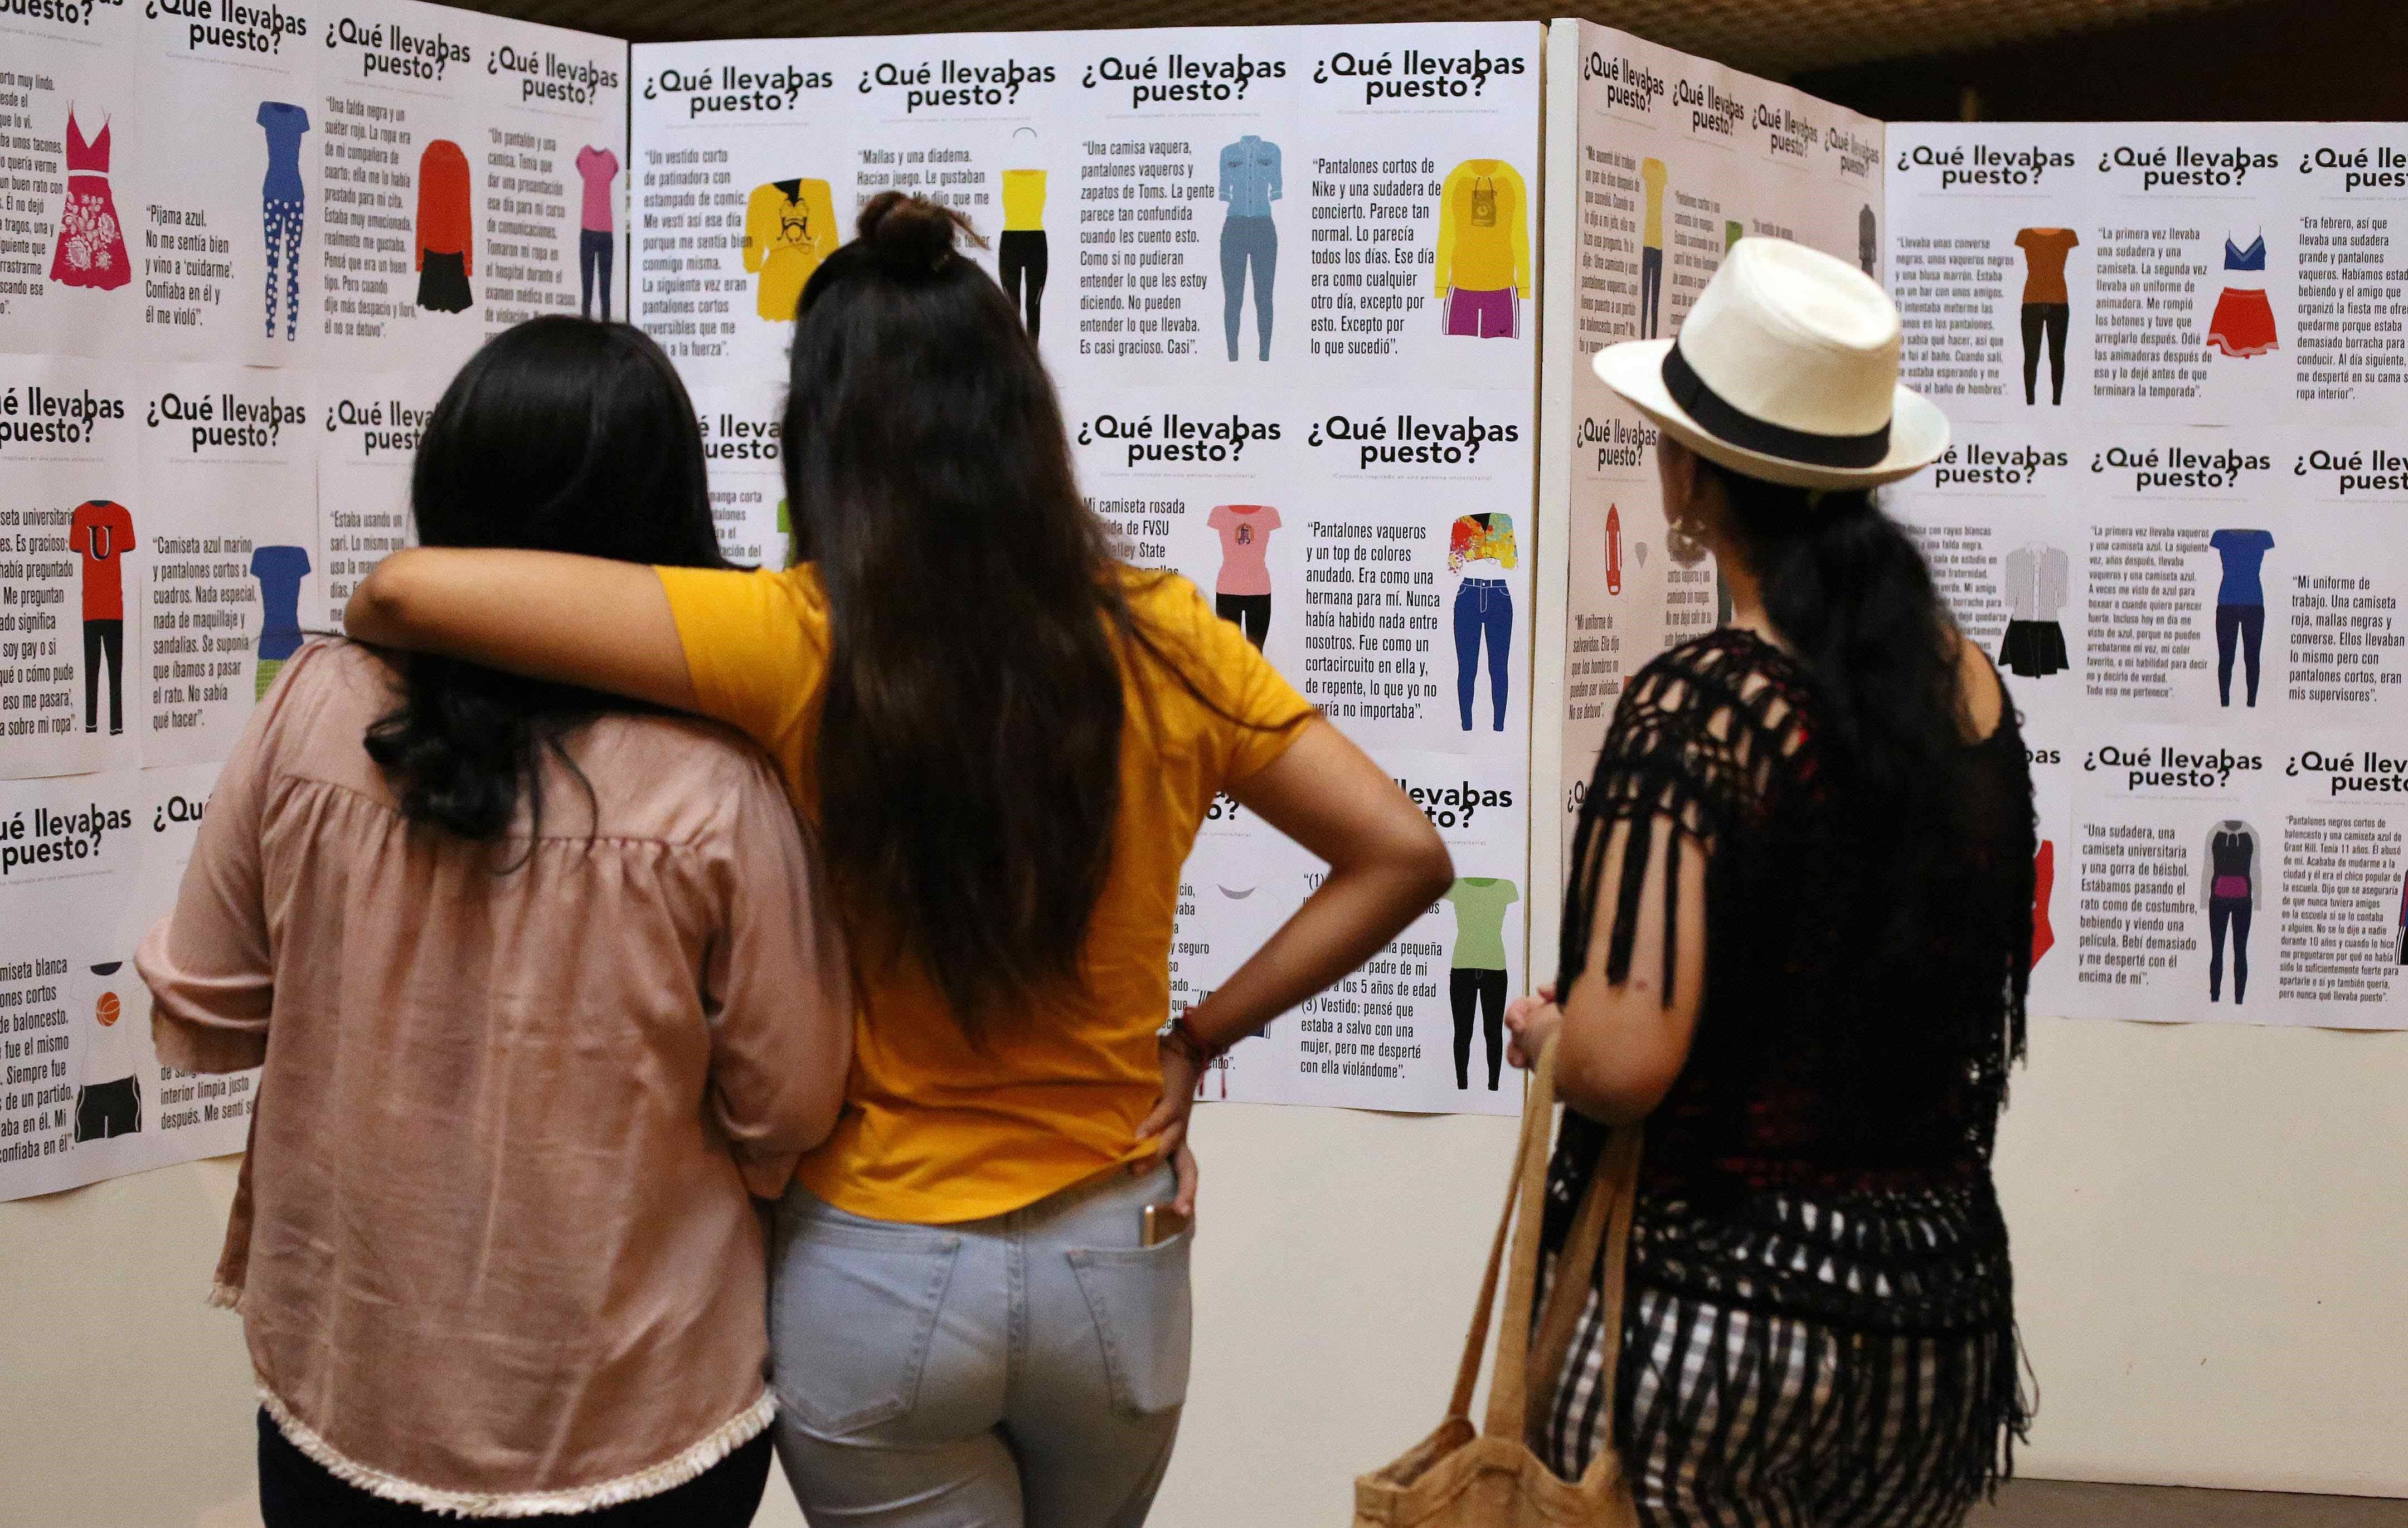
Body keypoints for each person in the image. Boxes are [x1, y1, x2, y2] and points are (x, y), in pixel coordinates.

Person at [343, 192, 1455, 1528]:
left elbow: (405, 594)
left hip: (875, 1267)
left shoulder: (796, 638)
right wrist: (1198, 1040)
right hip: (1118, 1256)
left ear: (821, 436)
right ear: (1024, 425)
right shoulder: (1169, 639)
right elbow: (1401, 854)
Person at [137, 318, 852, 1526]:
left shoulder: (313, 710)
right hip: (637, 1423)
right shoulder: (718, 786)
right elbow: (786, 1109)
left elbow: (204, 1003)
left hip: (347, 1403)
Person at [1504, 239, 2034, 1527]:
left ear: (1688, 478)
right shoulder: (1966, 695)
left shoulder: (1704, 704)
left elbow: (1629, 1059)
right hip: (1934, 1311)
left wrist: (1550, 1035)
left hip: (1719, 1314)